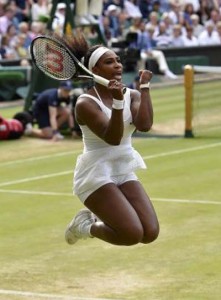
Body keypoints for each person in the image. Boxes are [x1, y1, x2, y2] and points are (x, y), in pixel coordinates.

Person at [63, 31, 159, 246]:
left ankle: (94, 219)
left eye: (118, 61)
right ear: (95, 70)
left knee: (150, 232)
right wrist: (117, 103)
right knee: (131, 234)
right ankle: (84, 226)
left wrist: (144, 88)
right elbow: (113, 138)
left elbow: (144, 125)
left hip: (122, 167)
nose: (118, 65)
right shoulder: (85, 103)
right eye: (109, 62)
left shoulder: (131, 94)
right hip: (95, 173)